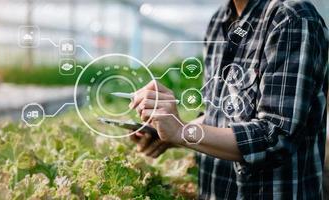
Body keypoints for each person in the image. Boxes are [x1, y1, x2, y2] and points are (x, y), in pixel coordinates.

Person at [129, 0, 328, 199]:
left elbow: (275, 137)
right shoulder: (219, 20)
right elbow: (218, 116)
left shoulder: (291, 17)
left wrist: (182, 132)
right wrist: (174, 131)